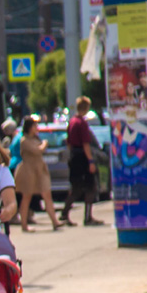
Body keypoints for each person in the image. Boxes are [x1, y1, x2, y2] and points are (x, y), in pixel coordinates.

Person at [62, 96, 105, 227]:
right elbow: (86, 144)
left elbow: (69, 143)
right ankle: (87, 217)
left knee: (76, 188)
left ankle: (64, 213)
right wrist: (90, 161)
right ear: (86, 108)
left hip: (74, 156)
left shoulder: (72, 122)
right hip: (83, 157)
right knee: (90, 187)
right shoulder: (81, 123)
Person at [13, 116, 61, 232]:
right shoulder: (24, 140)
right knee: (26, 197)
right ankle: (24, 225)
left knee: (47, 195)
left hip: (39, 170)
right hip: (28, 171)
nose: (37, 128)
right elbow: (38, 150)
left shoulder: (35, 138)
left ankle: (55, 221)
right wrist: (44, 144)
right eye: (35, 126)